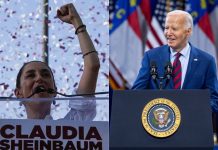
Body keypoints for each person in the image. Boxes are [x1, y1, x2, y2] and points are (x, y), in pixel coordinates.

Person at [14, 3, 100, 120]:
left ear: (54, 91)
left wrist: (76, 21)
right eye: (30, 75)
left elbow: (93, 66)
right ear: (18, 94)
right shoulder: (7, 134)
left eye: (45, 74)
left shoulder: (72, 127)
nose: (39, 78)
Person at [132, 10, 218, 112]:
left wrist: (196, 110)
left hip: (191, 123)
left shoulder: (206, 61)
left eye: (174, 29)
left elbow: (214, 100)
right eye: (166, 28)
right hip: (159, 121)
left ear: (188, 31)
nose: (168, 33)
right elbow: (136, 94)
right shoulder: (151, 57)